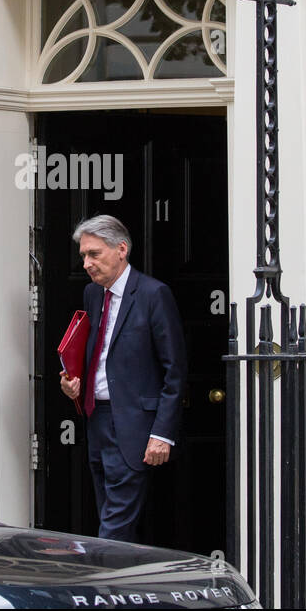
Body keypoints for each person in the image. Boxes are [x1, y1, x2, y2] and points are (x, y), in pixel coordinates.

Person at [59, 215, 186, 542]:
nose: (86, 263)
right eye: (83, 255)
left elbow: (175, 368)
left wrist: (163, 433)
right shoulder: (92, 294)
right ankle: (118, 580)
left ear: (121, 249)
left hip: (135, 425)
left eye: (94, 254)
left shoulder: (153, 294)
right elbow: (98, 355)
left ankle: (105, 586)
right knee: (107, 511)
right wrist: (74, 382)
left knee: (115, 522)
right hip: (97, 418)